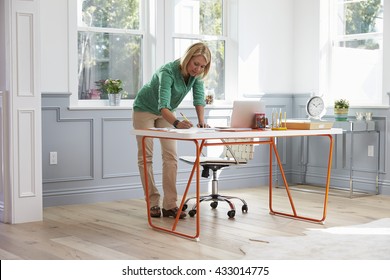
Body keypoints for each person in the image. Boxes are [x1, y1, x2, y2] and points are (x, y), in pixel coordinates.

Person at [133, 42, 212, 219]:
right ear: (187, 58)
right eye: (195, 64)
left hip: (166, 113)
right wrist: (177, 123)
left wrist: (201, 122)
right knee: (146, 156)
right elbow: (163, 106)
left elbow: (199, 98)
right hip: (146, 109)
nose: (198, 69)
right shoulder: (167, 72)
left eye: (202, 66)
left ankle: (170, 205)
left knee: (170, 155)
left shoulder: (196, 76)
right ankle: (153, 202)